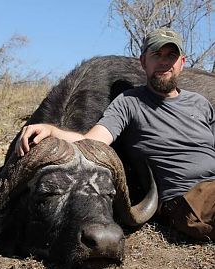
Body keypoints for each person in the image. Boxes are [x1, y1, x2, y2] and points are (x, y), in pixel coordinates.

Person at [15, 28, 215, 241]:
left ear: (182, 62)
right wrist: (52, 130)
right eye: (157, 55)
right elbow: (92, 141)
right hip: (191, 197)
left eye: (171, 56)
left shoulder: (200, 103)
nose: (164, 62)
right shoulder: (129, 103)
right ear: (143, 61)